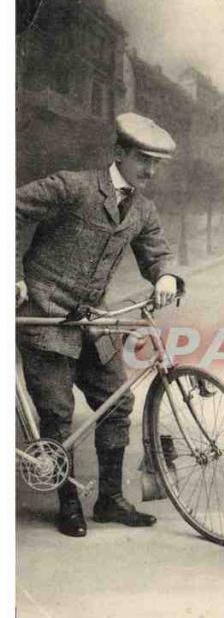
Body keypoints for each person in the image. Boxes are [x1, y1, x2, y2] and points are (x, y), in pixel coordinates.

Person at [16, 112, 183, 538]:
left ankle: (110, 499)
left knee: (117, 401)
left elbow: (157, 252)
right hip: (45, 315)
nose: (149, 170)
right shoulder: (73, 187)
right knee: (56, 414)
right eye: (142, 159)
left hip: (93, 320)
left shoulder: (143, 209)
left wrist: (164, 275)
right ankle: (67, 502)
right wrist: (12, 273)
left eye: (156, 163)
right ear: (118, 153)